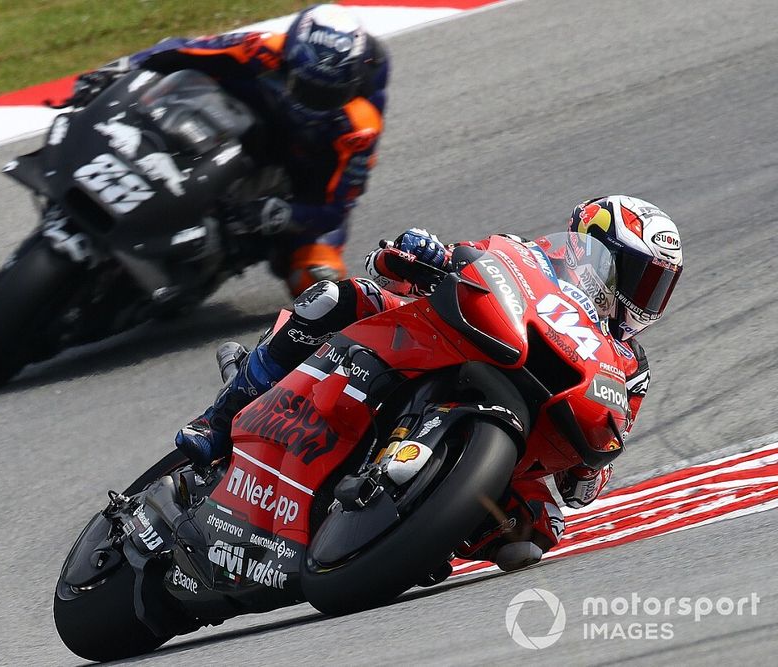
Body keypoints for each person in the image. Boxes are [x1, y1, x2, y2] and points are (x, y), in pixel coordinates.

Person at [175, 195, 684, 571]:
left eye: (656, 284)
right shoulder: (526, 257)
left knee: (535, 532)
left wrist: (591, 469)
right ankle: (220, 418)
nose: (644, 296)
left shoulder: (628, 367)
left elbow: (597, 462)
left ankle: (415, 533)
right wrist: (420, 255)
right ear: (591, 248)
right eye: (637, 275)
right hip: (440, 343)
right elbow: (424, 269)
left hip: (521, 428)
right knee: (338, 297)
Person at [62, 4, 389, 296]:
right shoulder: (261, 48)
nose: (312, 103)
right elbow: (182, 50)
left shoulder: (358, 129)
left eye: (326, 96)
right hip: (225, 125)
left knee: (317, 285)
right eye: (305, 87)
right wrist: (117, 69)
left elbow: (336, 208)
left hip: (294, 176)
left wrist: (285, 213)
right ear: (289, 61)